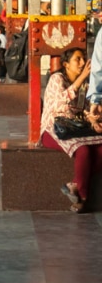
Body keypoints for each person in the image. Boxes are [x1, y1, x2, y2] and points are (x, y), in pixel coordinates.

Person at [40, 47, 101, 213]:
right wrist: (81, 79)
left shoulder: (86, 84)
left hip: (77, 128)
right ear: (66, 64)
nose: (82, 63)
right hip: (55, 128)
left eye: (83, 59)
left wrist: (93, 119)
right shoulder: (56, 79)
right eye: (77, 59)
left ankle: (74, 184)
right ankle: (83, 198)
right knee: (83, 151)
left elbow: (85, 109)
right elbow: (59, 105)